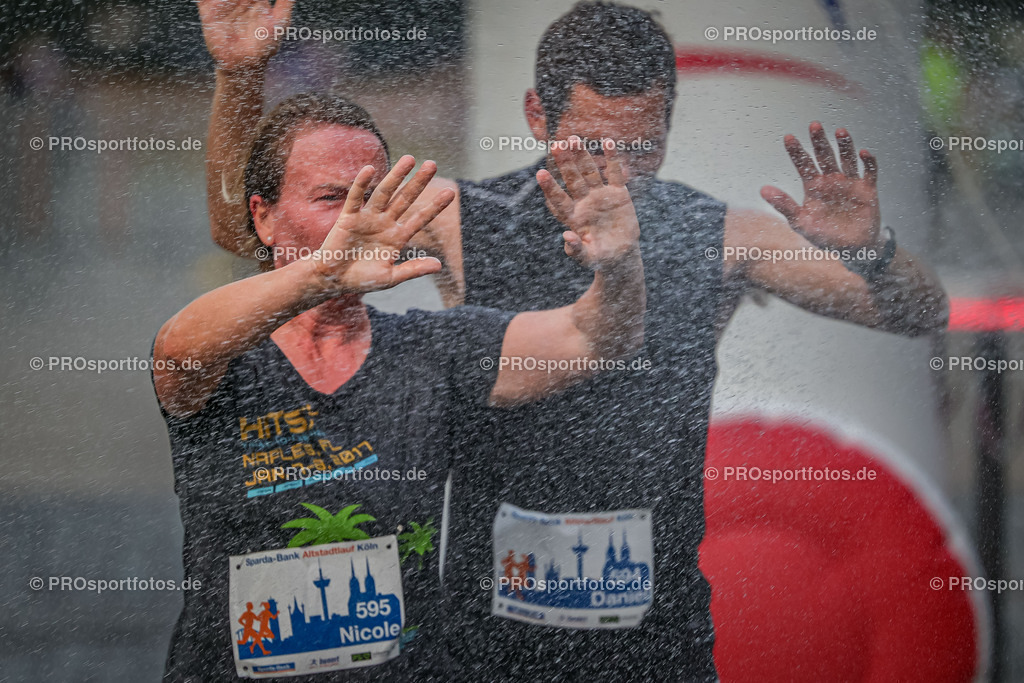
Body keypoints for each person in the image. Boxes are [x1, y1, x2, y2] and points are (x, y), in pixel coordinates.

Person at [198, 1, 948, 680]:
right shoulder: (462, 217)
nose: (613, 177)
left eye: (641, 148)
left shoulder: (716, 236)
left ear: (667, 126)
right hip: (489, 644)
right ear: (536, 114)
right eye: (589, 146)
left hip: (657, 643)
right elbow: (249, 230)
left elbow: (918, 311)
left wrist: (870, 250)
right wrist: (239, 77)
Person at [152, 91, 646, 681]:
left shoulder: (430, 350)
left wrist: (620, 266)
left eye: (372, 196)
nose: (357, 218)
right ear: (263, 216)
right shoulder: (228, 356)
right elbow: (178, 350)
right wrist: (320, 274)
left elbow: (596, 338)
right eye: (332, 198)